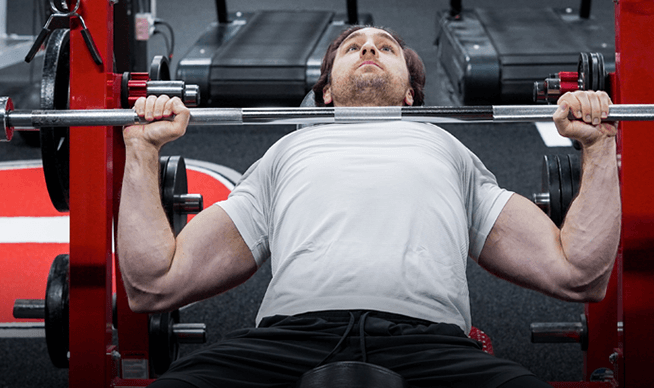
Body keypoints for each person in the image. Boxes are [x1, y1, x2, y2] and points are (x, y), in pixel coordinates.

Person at [118, 26, 620, 388]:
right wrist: (141, 151)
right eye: (354, 46)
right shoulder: (287, 152)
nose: (369, 49)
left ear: (409, 91)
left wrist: (599, 149)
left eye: (385, 47)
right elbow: (154, 284)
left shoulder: (446, 148)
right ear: (328, 91)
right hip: (288, 338)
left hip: (429, 342)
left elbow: (577, 273)